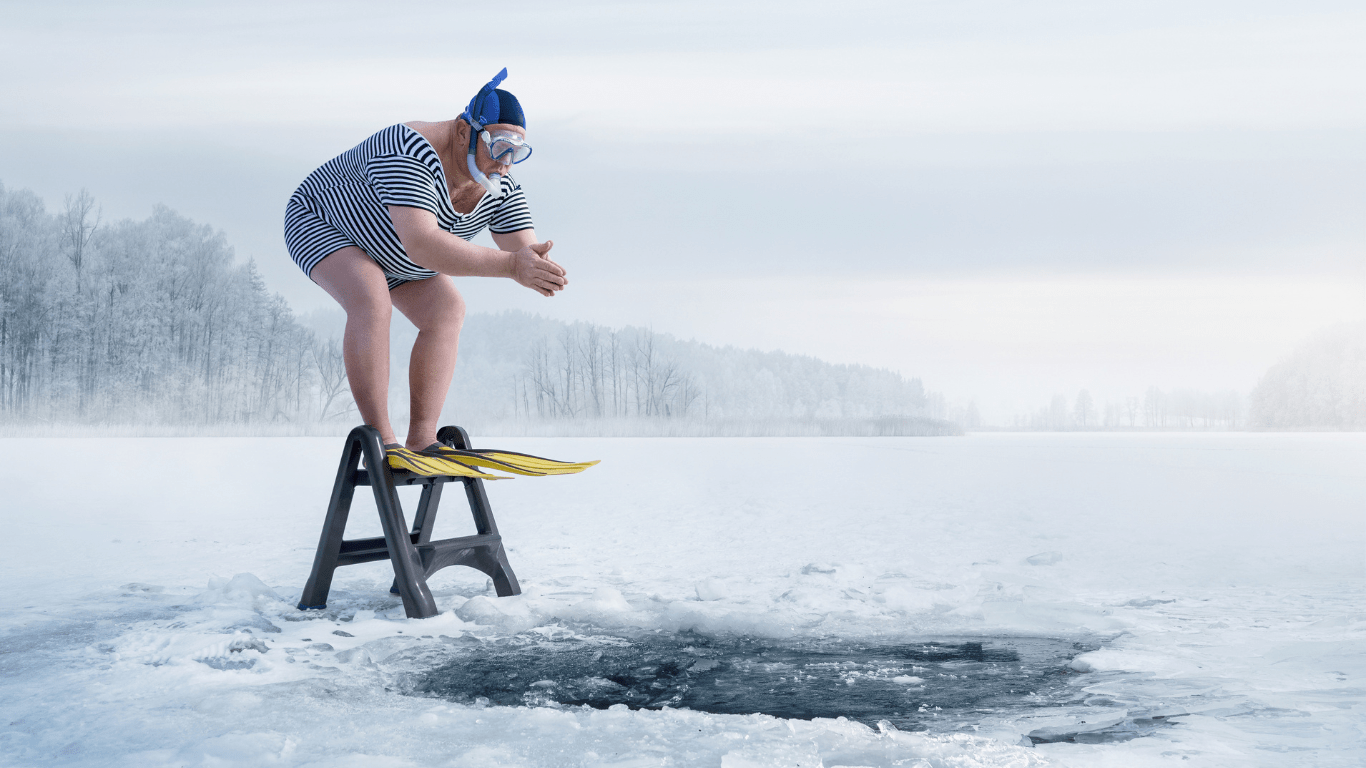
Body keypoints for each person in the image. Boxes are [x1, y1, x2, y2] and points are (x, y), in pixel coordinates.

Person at [283, 69, 566, 469]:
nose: (505, 162)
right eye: (499, 146)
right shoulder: (408, 148)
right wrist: (509, 266)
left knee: (447, 311)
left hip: (397, 251)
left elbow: (524, 251)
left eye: (516, 152)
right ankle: (382, 441)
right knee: (371, 298)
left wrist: (537, 267)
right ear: (465, 131)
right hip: (323, 221)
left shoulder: (500, 184)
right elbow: (424, 244)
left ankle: (422, 440)